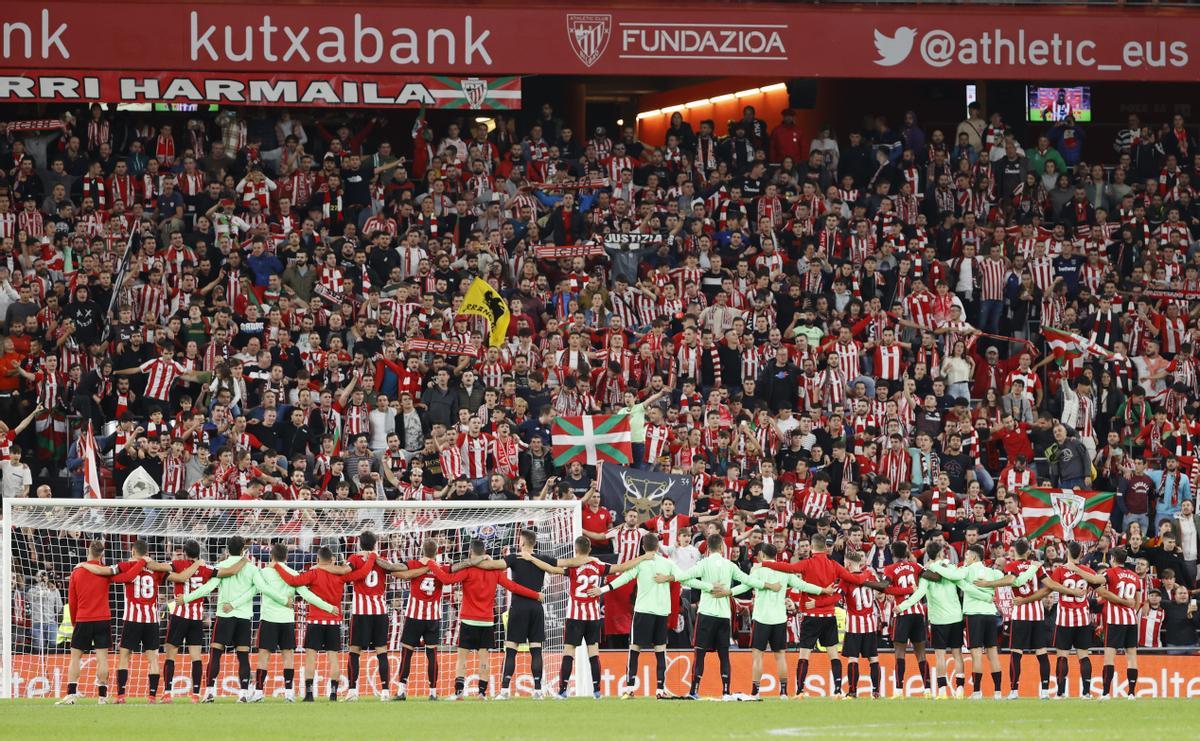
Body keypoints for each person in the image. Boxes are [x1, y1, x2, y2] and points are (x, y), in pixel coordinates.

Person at [519, 535, 650, 698]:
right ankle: (597, 691)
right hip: (593, 616)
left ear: (575, 549)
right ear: (590, 550)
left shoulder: (573, 565)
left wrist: (531, 558)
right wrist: (644, 556)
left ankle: (563, 691)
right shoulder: (598, 565)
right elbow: (622, 567)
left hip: (575, 615)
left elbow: (551, 569)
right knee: (593, 653)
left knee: (569, 653)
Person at [589, 532, 712, 699]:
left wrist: (601, 590)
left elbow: (623, 579)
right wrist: (709, 587)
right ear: (657, 547)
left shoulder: (641, 564)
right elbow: (686, 578)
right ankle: (660, 690)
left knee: (634, 649)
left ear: (642, 547)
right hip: (661, 613)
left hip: (643, 613)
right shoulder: (667, 563)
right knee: (660, 650)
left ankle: (630, 688)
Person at [663, 532, 779, 700]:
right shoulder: (730, 565)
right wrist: (763, 586)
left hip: (706, 614)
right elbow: (748, 582)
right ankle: (725, 691)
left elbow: (683, 579)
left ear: (708, 548)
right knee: (724, 655)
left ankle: (694, 691)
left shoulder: (703, 564)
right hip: (724, 616)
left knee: (700, 653)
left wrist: (708, 587)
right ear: (722, 547)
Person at [423, 539, 542, 701]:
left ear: (471, 552)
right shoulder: (494, 571)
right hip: (486, 621)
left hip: (468, 620)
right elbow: (513, 587)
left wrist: (431, 565)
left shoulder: (469, 570)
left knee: (462, 657)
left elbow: (446, 580)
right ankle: (481, 693)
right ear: (484, 552)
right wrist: (536, 595)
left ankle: (459, 693)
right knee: (484, 658)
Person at [762, 533, 870, 698]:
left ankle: (799, 691)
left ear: (812, 547)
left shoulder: (807, 563)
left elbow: (789, 568)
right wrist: (866, 574)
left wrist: (765, 564)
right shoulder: (834, 564)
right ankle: (837, 690)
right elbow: (853, 578)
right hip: (829, 616)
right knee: (833, 654)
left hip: (811, 616)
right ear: (826, 548)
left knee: (804, 654)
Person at [271, 546, 377, 702]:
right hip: (334, 622)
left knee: (310, 658)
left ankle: (308, 694)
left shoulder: (313, 573)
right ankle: (333, 694)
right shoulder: (340, 576)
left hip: (315, 621)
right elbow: (362, 573)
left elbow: (293, 581)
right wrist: (372, 558)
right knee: (333, 658)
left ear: (318, 560)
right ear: (332, 559)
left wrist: (277, 566)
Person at [56, 540, 145, 705]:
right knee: (102, 658)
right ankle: (102, 697)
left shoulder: (77, 572)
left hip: (83, 618)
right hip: (102, 619)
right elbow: (128, 576)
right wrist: (142, 562)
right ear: (102, 554)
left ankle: (71, 695)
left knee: (75, 657)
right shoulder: (106, 572)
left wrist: (75, 621)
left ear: (88, 550)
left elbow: (72, 600)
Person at [248, 542, 339, 703]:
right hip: (287, 621)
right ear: (287, 557)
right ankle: (289, 693)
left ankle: (259, 692)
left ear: (272, 556)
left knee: (263, 656)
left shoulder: (263, 572)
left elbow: (257, 589)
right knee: (288, 656)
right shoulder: (293, 573)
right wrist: (329, 607)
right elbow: (308, 595)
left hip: (269, 619)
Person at [343, 530, 428, 702]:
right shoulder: (382, 561)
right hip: (380, 612)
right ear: (375, 544)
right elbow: (403, 574)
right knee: (382, 652)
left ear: (360, 544)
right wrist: (425, 568)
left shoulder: (354, 558)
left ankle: (352, 691)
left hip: (360, 612)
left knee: (354, 652)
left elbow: (345, 573)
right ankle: (385, 691)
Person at [741, 542, 830, 699]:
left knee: (757, 655)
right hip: (779, 619)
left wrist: (727, 592)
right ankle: (783, 692)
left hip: (762, 618)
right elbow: (802, 585)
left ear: (761, 555)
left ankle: (755, 692)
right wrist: (822, 590)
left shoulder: (757, 570)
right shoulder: (784, 570)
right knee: (780, 655)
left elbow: (746, 586)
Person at [163, 540, 247, 703]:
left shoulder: (178, 564)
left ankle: (167, 693)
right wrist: (243, 559)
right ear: (199, 553)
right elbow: (230, 571)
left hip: (179, 615)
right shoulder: (206, 568)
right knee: (196, 657)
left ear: (185, 553)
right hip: (196, 618)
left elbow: (169, 572)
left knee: (171, 654)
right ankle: (195, 694)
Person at [178, 535, 260, 702]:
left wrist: (186, 598)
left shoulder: (221, 566)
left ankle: (209, 692)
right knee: (243, 656)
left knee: (215, 654)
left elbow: (208, 587)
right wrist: (237, 604)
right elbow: (257, 589)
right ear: (243, 549)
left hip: (225, 616)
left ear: (228, 550)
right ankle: (243, 694)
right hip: (244, 617)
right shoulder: (251, 568)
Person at [958, 544, 1040, 699]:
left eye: (967, 556)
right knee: (993, 654)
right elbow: (1016, 582)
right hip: (991, 615)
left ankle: (976, 692)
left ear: (974, 557)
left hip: (974, 615)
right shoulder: (993, 572)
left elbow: (955, 578)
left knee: (976, 653)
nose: (965, 559)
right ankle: (997, 692)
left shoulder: (966, 570)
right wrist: (1033, 568)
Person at [895, 541, 968, 699]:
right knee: (957, 654)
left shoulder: (927, 574)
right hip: (956, 617)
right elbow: (963, 584)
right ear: (942, 553)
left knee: (940, 656)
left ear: (928, 555)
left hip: (938, 620)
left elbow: (919, 594)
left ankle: (942, 691)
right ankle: (960, 688)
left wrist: (902, 606)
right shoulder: (951, 569)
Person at [881, 541, 932, 698]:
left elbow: (884, 586)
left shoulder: (889, 569)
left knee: (900, 653)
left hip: (902, 614)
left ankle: (898, 690)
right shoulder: (916, 567)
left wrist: (899, 591)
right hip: (918, 613)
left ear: (893, 553)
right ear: (907, 552)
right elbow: (931, 577)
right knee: (921, 654)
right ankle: (928, 690)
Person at [1051, 542, 1099, 698]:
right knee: (1084, 655)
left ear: (1067, 552)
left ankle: (1060, 693)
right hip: (1083, 619)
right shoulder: (1087, 571)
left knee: (1062, 656)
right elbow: (1099, 582)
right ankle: (1086, 692)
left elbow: (1052, 586)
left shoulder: (1059, 570)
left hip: (1064, 619)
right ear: (1081, 553)